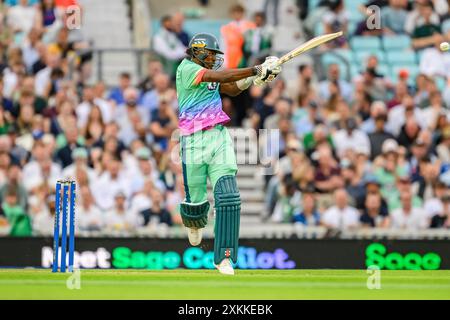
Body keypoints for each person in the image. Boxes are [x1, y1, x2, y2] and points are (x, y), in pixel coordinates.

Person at [176, 33, 281, 275]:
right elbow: (219, 76)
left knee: (229, 197)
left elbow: (231, 89)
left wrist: (257, 79)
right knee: (195, 204)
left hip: (218, 137)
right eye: (211, 55)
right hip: (192, 140)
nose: (214, 59)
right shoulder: (187, 69)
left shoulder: (209, 72)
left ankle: (224, 257)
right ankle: (194, 220)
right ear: (200, 52)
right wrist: (256, 68)